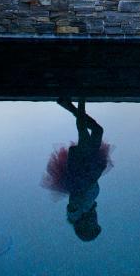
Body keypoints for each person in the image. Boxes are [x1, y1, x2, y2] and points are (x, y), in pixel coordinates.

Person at [41, 99, 113, 241]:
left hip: (81, 171)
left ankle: (80, 100)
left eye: (93, 224)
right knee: (97, 131)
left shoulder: (77, 214)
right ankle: (71, 106)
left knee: (84, 135)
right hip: (90, 170)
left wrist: (77, 208)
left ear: (85, 226)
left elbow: (74, 201)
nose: (95, 220)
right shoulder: (90, 206)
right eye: (96, 223)